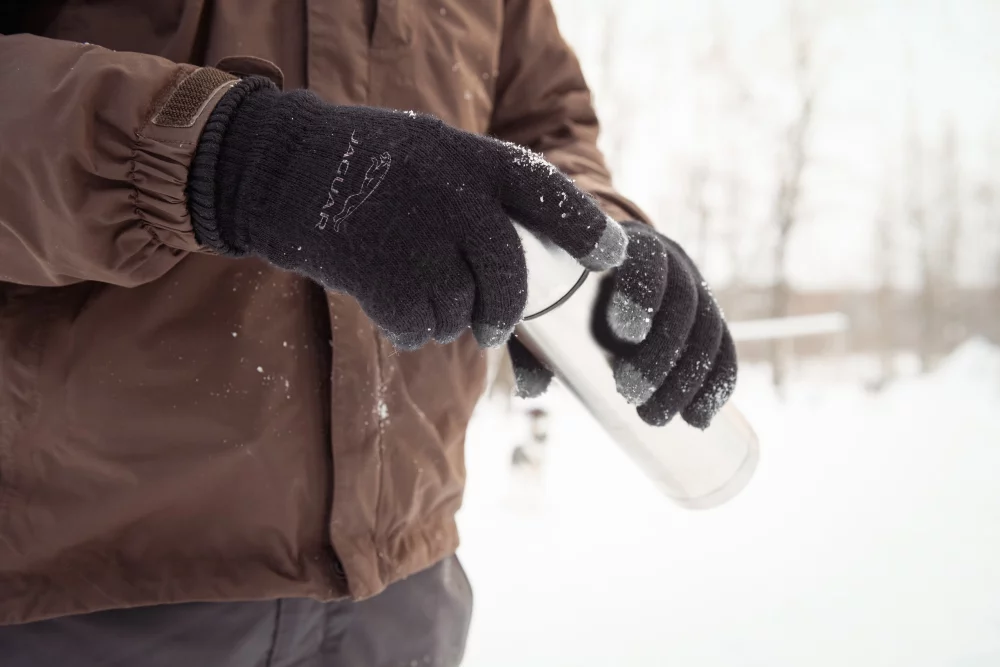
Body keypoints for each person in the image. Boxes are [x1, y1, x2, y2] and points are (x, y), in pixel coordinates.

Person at [0, 1, 737, 664]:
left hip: (405, 589)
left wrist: (606, 237)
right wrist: (230, 156)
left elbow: (542, 121)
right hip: (91, 585)